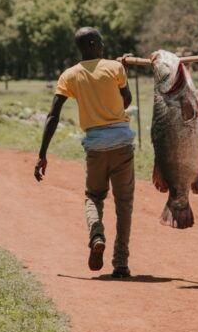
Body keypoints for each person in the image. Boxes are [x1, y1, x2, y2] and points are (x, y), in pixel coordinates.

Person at [35, 27, 136, 278]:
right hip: (122, 144)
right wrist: (119, 74)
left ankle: (96, 234)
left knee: (94, 197)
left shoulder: (69, 75)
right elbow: (127, 101)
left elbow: (53, 115)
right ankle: (121, 263)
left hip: (96, 146)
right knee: (124, 204)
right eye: (100, 42)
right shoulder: (115, 67)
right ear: (93, 44)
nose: (103, 46)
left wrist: (42, 154)